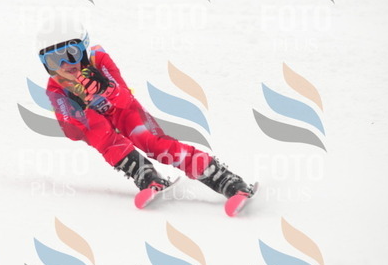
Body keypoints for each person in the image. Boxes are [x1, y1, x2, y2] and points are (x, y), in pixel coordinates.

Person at [37, 19, 255, 200]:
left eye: (71, 53)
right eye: (54, 60)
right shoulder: (56, 88)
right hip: (97, 122)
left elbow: (125, 98)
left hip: (124, 111)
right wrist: (80, 108)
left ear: (84, 48)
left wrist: (106, 88)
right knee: (98, 132)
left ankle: (222, 178)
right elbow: (72, 132)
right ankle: (145, 174)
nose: (65, 64)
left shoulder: (98, 60)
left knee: (152, 142)